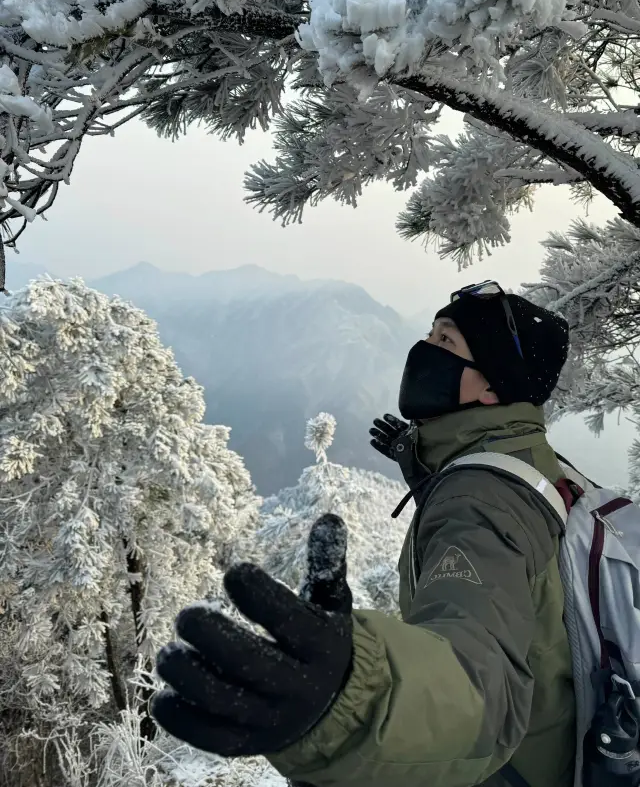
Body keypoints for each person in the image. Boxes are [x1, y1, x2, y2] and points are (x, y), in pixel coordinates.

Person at [150, 280, 576, 787]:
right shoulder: (525, 459)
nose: (425, 350)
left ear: (491, 386)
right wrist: (424, 466)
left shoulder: (481, 502)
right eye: (431, 332)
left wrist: (354, 699)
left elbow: (480, 681)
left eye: (446, 342)